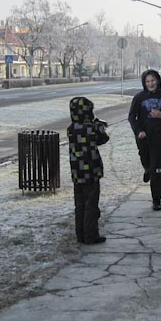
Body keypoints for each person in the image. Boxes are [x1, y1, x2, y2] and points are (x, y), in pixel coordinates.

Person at [128, 69, 161, 211]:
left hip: (158, 138)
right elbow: (131, 117)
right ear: (144, 83)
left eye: (153, 80)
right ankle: (147, 169)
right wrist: (138, 131)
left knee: (157, 168)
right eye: (148, 81)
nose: (151, 83)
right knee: (146, 161)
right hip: (143, 137)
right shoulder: (139, 97)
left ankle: (156, 200)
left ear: (158, 81)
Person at [67, 96, 110, 244]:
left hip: (77, 173)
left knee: (80, 205)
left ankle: (80, 234)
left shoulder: (71, 129)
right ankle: (91, 235)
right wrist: (99, 127)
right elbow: (103, 139)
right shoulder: (92, 128)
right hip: (91, 172)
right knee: (91, 206)